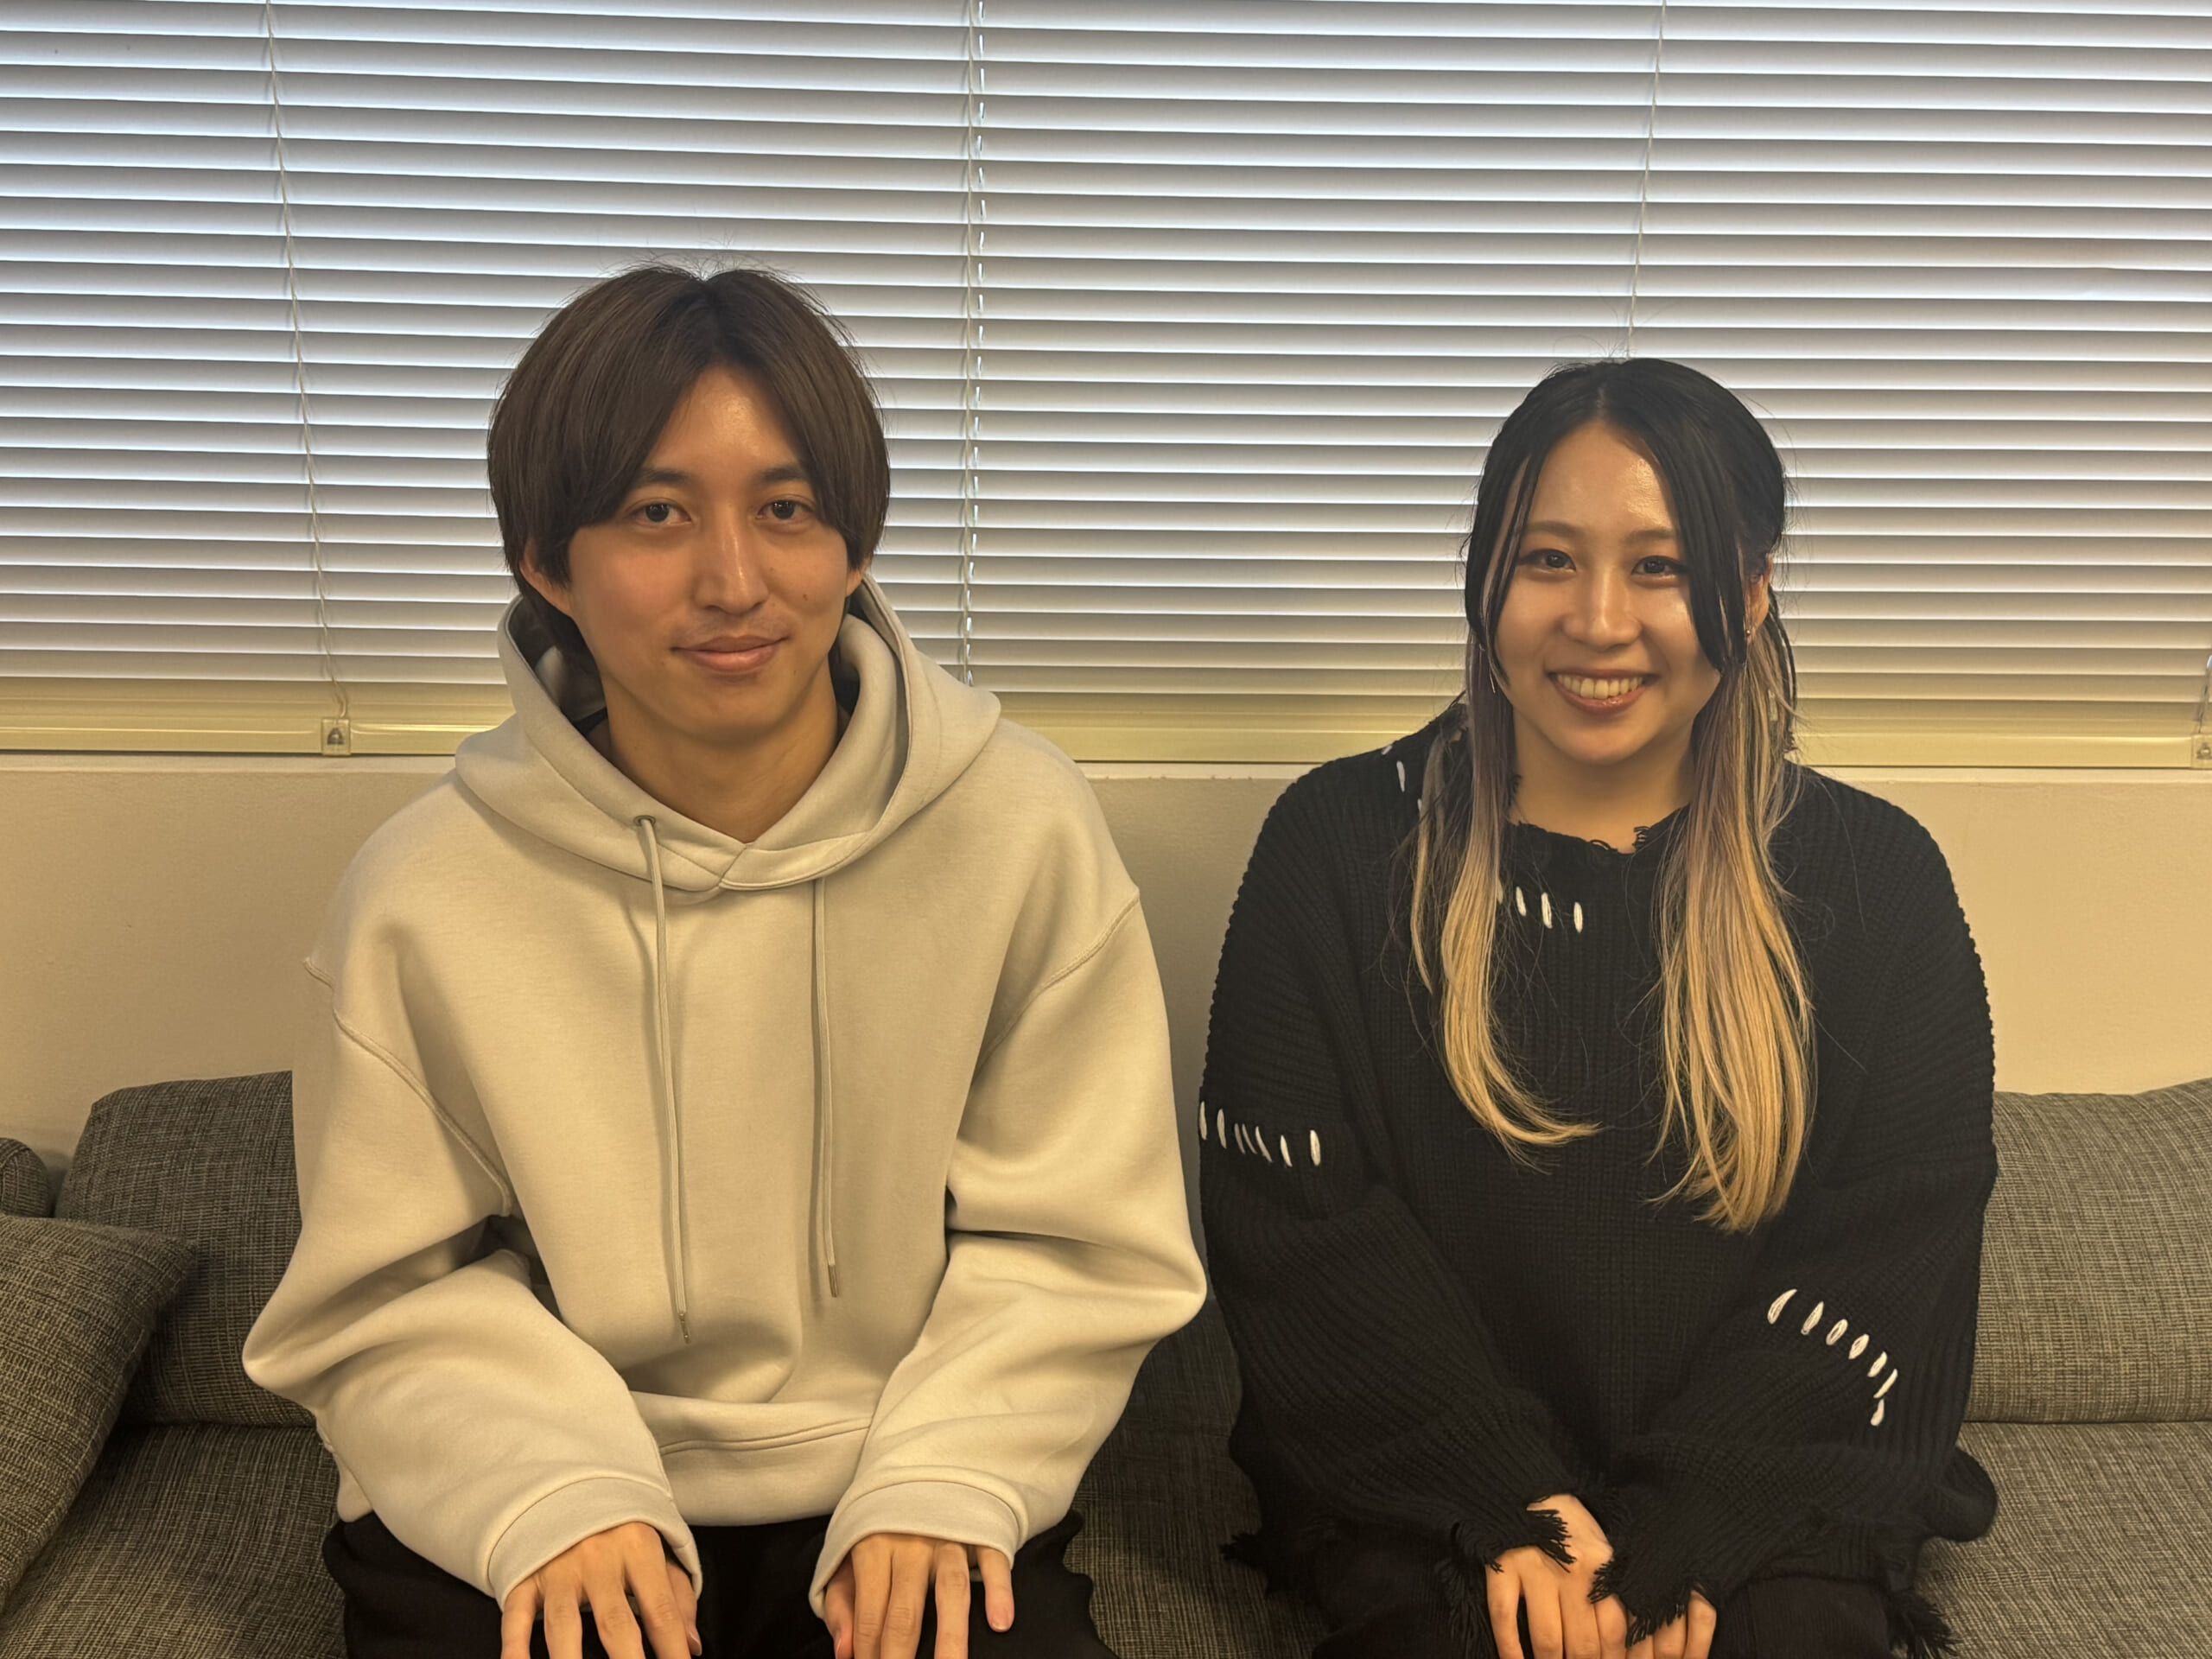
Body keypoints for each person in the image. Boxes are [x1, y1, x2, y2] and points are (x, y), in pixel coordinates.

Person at [244, 264, 1206, 1659]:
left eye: (787, 509)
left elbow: (1079, 1242)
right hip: (537, 1492)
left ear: (855, 544)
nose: (736, 582)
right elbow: (385, 1293)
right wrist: (553, 1496)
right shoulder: (423, 892)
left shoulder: (1020, 831)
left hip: (901, 1470)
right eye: (658, 513)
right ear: (547, 563)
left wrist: (944, 1481)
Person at [1198, 358, 1998, 1659]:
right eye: (1549, 560)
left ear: (1751, 592)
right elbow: (1300, 1234)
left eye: (1662, 567)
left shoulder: (1878, 883)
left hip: (1769, 1497)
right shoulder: (1335, 851)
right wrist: (1514, 1502)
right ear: (1485, 578)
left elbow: (1894, 1250)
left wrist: (1691, 1523)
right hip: (1428, 1500)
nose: (1599, 620)